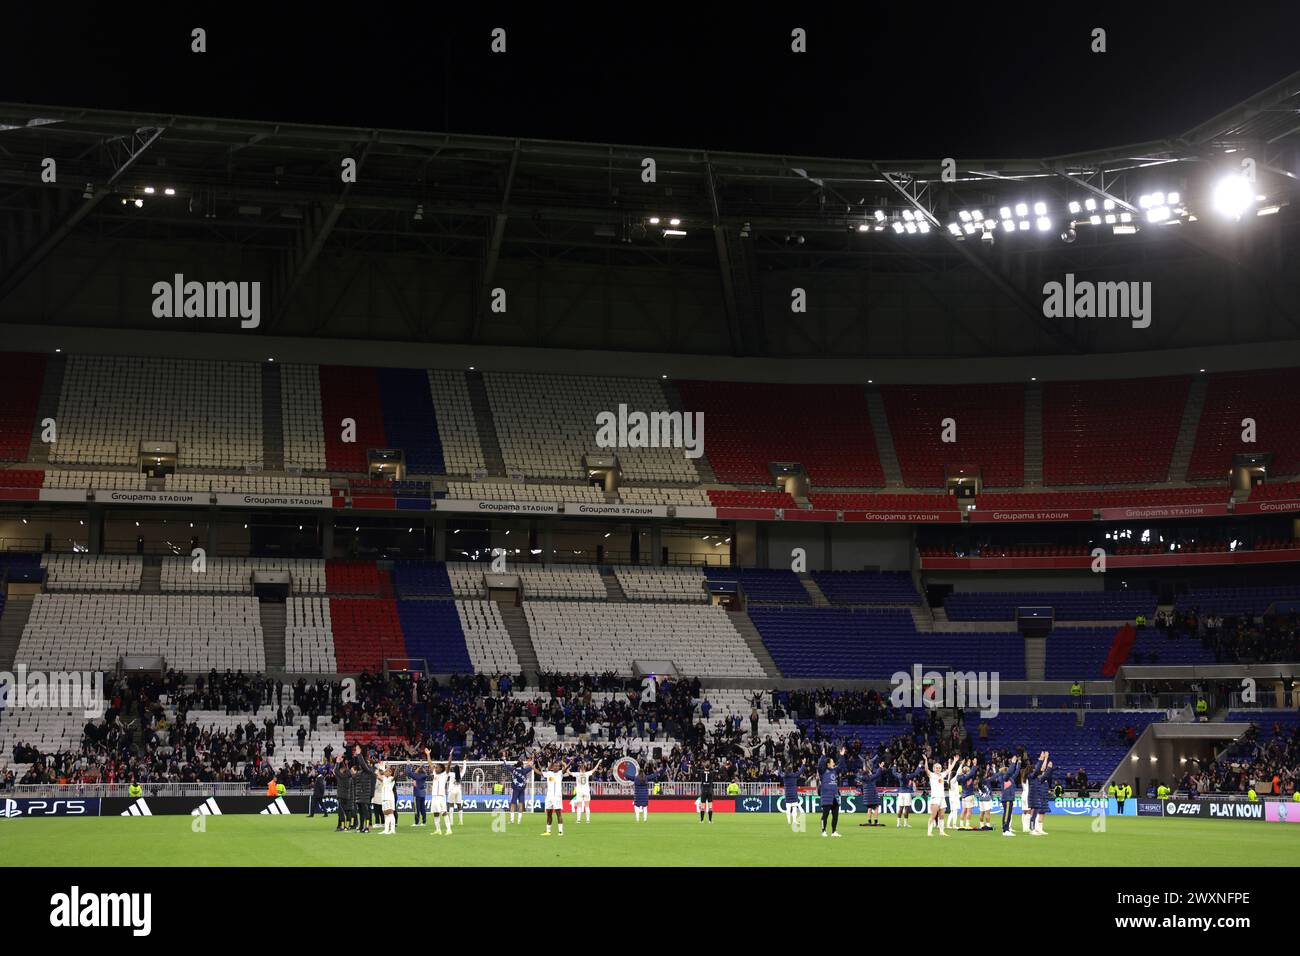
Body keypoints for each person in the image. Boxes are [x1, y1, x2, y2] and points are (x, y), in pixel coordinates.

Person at [423, 748, 454, 835]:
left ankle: (449, 830)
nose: (435, 768)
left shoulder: (445, 774)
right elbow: (430, 764)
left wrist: (450, 755)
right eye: (435, 767)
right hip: (434, 797)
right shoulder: (435, 774)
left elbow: (448, 764)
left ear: (441, 769)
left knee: (443, 812)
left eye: (437, 767)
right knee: (435, 813)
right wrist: (428, 754)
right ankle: (438, 830)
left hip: (441, 797)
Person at [928, 755, 960, 837]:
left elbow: (950, 769)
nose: (938, 769)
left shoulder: (942, 775)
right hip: (935, 797)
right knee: (933, 815)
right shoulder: (932, 775)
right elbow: (926, 769)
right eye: (936, 768)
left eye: (939, 768)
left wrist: (955, 761)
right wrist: (925, 761)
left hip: (942, 798)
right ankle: (929, 832)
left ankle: (941, 832)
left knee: (942, 815)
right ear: (933, 769)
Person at [817, 746, 845, 837]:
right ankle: (823, 831)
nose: (834, 763)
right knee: (825, 815)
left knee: (835, 815)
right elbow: (820, 765)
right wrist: (823, 755)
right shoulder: (823, 771)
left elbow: (840, 765)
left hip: (834, 797)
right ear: (828, 764)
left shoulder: (834, 770)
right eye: (832, 762)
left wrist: (841, 755)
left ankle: (834, 831)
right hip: (826, 797)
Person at [535, 758, 567, 836]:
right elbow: (539, 772)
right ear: (552, 767)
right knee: (549, 813)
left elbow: (565, 769)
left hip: (557, 797)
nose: (555, 767)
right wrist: (532, 767)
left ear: (559, 767)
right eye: (554, 766)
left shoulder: (560, 773)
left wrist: (568, 763)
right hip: (549, 797)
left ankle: (560, 831)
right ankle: (548, 831)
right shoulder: (549, 773)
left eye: (557, 766)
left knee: (558, 813)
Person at [352, 745, 376, 834]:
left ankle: (367, 827)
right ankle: (361, 826)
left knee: (366, 812)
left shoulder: (369, 771)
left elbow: (362, 764)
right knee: (361, 812)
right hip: (359, 795)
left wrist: (359, 754)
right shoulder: (359, 773)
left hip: (365, 794)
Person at [857, 755, 883, 827]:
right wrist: (880, 767)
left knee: (869, 808)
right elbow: (877, 774)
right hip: (873, 794)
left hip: (866, 796)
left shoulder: (863, 778)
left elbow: (859, 777)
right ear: (869, 772)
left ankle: (869, 821)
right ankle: (876, 821)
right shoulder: (872, 777)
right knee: (876, 807)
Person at [506, 755, 530, 825]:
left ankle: (512, 820)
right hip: (522, 789)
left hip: (515, 789)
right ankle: (519, 821)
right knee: (521, 804)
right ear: (522, 765)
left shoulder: (514, 770)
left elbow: (506, 765)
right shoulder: (524, 770)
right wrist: (530, 762)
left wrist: (504, 760)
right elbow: (531, 766)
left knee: (513, 804)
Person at [782, 759, 805, 831]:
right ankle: (794, 821)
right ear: (792, 770)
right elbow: (800, 771)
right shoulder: (794, 775)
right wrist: (803, 764)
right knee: (794, 808)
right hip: (794, 794)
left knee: (788, 808)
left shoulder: (784, 776)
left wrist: (779, 766)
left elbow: (780, 772)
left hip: (787, 794)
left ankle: (789, 821)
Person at [377, 763, 397, 835]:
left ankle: (392, 830)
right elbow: (379, 776)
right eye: (385, 771)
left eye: (387, 771)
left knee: (391, 814)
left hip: (389, 798)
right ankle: (386, 830)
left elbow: (379, 776)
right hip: (384, 799)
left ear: (390, 773)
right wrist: (379, 769)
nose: (385, 772)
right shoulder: (385, 778)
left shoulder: (391, 779)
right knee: (386, 815)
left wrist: (378, 770)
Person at [335, 760, 354, 832]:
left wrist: (338, 762)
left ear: (342, 771)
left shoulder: (340, 777)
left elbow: (336, 770)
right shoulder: (349, 777)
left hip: (341, 796)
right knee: (348, 812)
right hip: (348, 796)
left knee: (341, 812)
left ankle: (342, 827)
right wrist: (344, 764)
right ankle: (348, 827)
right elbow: (348, 771)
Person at [447, 755, 467, 825]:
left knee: (451, 806)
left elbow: (447, 771)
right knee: (459, 805)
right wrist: (464, 761)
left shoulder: (452, 774)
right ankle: (461, 821)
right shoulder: (461, 775)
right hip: (458, 791)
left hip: (451, 791)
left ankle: (451, 822)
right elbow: (464, 769)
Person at [409, 762, 428, 828]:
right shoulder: (424, 775)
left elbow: (408, 772)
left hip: (417, 794)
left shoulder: (415, 775)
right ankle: (424, 822)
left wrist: (409, 764)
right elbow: (426, 772)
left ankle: (416, 822)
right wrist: (421, 765)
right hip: (423, 794)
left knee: (417, 809)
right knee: (423, 808)